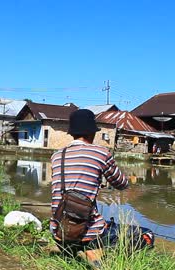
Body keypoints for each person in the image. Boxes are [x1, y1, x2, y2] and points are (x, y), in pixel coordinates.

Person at [50, 109, 128, 268]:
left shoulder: (57, 156)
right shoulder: (101, 153)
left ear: (71, 133)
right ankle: (93, 253)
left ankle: (72, 251)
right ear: (92, 133)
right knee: (143, 235)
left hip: (58, 230)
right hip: (87, 233)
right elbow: (121, 184)